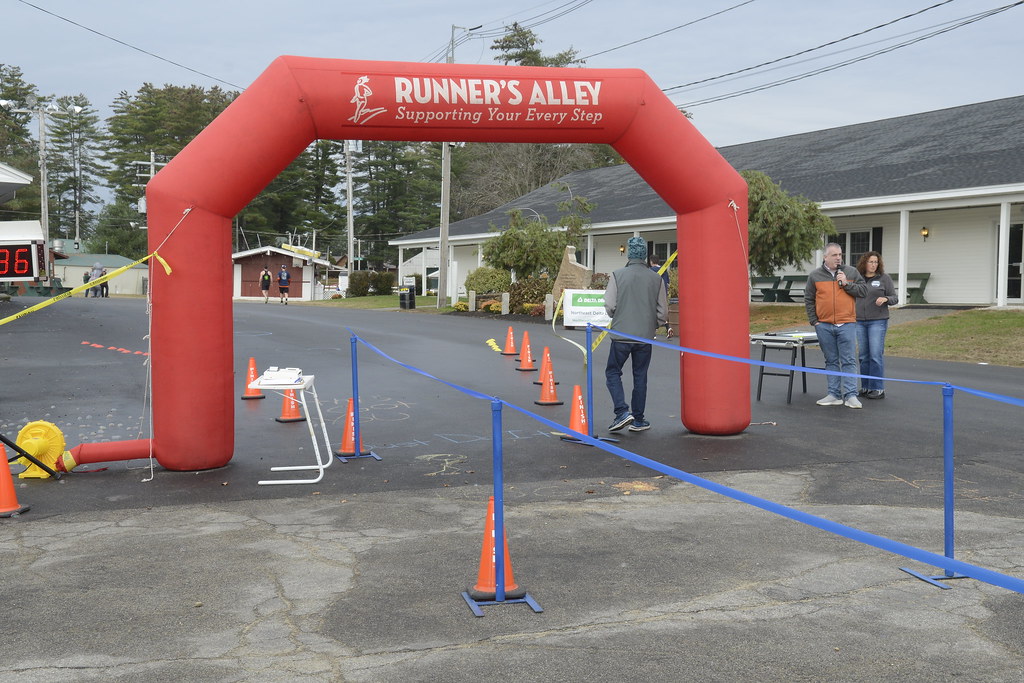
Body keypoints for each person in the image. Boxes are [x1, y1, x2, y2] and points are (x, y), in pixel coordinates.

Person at [604, 236, 668, 432]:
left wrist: (618, 315)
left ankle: (622, 412)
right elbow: (663, 312)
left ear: (630, 254)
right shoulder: (656, 279)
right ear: (646, 257)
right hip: (644, 337)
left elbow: (610, 305)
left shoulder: (617, 275)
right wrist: (653, 324)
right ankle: (639, 419)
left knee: (613, 372)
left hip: (621, 335)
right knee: (640, 376)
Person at [804, 243, 867, 408]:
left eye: (840, 254)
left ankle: (851, 395)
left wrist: (846, 284)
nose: (838, 257)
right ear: (825, 257)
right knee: (831, 360)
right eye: (834, 255)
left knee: (849, 360)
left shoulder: (851, 272)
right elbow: (809, 299)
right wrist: (815, 321)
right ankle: (834, 394)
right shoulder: (815, 276)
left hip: (846, 323)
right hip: (824, 325)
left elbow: (863, 291)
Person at [855, 251, 897, 399]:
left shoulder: (884, 279)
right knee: (863, 356)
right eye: (870, 262)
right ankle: (866, 387)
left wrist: (885, 299)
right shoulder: (857, 278)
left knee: (875, 355)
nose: (873, 265)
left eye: (876, 262)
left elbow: (894, 298)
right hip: (859, 321)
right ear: (864, 263)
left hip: (877, 321)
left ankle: (878, 388)